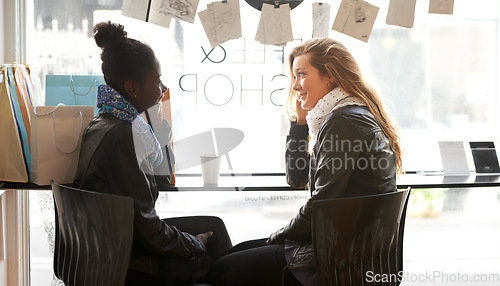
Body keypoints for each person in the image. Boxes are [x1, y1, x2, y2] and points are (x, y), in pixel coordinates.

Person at [208, 38, 402, 286]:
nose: (295, 86)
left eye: (301, 74)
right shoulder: (346, 115)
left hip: (339, 258)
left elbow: (321, 204)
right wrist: (299, 124)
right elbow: (297, 178)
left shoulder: (343, 121)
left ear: (330, 76)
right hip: (344, 247)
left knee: (221, 269)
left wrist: (277, 236)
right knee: (235, 252)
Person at [72, 21, 232, 285]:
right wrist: (195, 244)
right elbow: (149, 231)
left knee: (214, 225)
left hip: (111, 245)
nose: (163, 89)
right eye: (157, 81)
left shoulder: (105, 122)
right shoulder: (124, 136)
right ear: (132, 88)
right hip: (126, 261)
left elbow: (159, 178)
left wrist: (156, 122)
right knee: (214, 250)